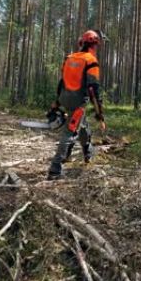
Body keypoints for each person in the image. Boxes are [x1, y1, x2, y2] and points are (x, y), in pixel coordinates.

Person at [47, 30, 107, 180]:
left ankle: (87, 152)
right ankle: (55, 168)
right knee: (70, 132)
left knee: (83, 126)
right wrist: (100, 114)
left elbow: (62, 82)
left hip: (65, 98)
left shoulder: (70, 58)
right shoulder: (91, 61)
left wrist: (57, 101)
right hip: (77, 102)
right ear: (94, 44)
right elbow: (93, 89)